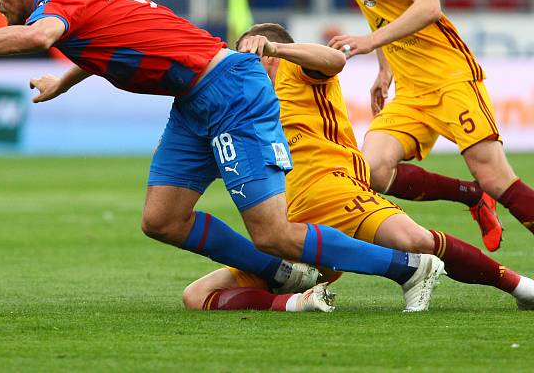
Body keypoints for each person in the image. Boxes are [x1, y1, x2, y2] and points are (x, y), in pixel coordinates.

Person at [0, 0, 445, 312]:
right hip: (193, 103)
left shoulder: (56, 5)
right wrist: (61, 82)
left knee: (274, 230)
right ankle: (283, 275)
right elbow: (113, 45)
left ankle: (407, 267)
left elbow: (42, 38)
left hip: (229, 89)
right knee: (162, 218)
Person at [182, 24, 534, 312]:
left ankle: (519, 286)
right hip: (286, 225)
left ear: (271, 54)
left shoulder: (297, 73)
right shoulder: (242, 104)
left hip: (336, 190)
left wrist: (276, 50)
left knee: (415, 240)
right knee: (196, 295)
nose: (244, 65)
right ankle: (299, 302)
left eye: (252, 54)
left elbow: (334, 59)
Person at [324, 0, 534, 252]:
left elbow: (428, 7)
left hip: (450, 77)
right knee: (370, 170)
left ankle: (483, 190)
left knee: (495, 175)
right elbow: (377, 13)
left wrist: (370, 45)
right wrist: (383, 69)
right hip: (411, 89)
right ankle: (471, 196)